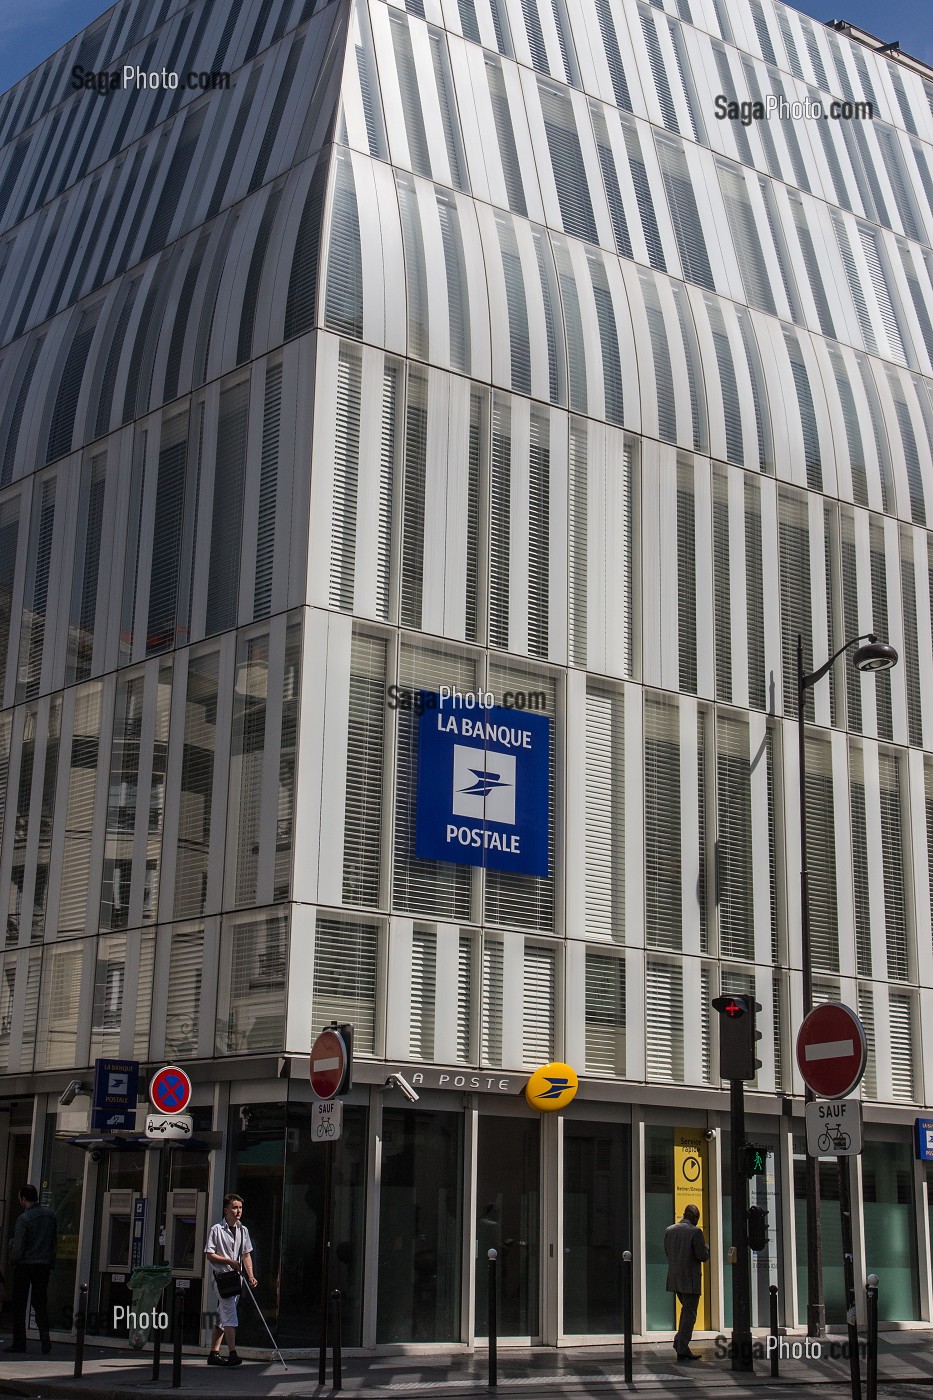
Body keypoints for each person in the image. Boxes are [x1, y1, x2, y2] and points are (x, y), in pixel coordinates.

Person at [204, 1194, 257, 1367]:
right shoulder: (216, 1229)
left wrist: (250, 1275)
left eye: (240, 1208)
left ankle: (214, 1353)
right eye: (235, 1208)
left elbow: (246, 1254)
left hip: (236, 1279)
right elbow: (209, 1254)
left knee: (222, 1316)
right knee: (230, 1313)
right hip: (221, 1278)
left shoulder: (243, 1230)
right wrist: (229, 1262)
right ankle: (233, 1352)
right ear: (226, 1210)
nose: (238, 1211)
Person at [6, 1184, 56, 1355]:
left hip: (25, 1265)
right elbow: (53, 1243)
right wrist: (51, 1263)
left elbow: (18, 1246)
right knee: (40, 1302)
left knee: (19, 1304)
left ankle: (19, 1343)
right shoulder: (50, 1217)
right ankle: (45, 1338)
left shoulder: (24, 1219)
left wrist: (12, 1259)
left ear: (23, 1199)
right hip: (43, 1265)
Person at [664, 1203, 710, 1362]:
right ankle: (682, 1346)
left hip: (675, 1278)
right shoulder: (695, 1232)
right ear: (695, 1217)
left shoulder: (670, 1230)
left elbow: (667, 1252)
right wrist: (707, 1248)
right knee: (690, 1314)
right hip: (690, 1279)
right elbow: (702, 1256)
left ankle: (679, 1342)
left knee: (686, 1311)